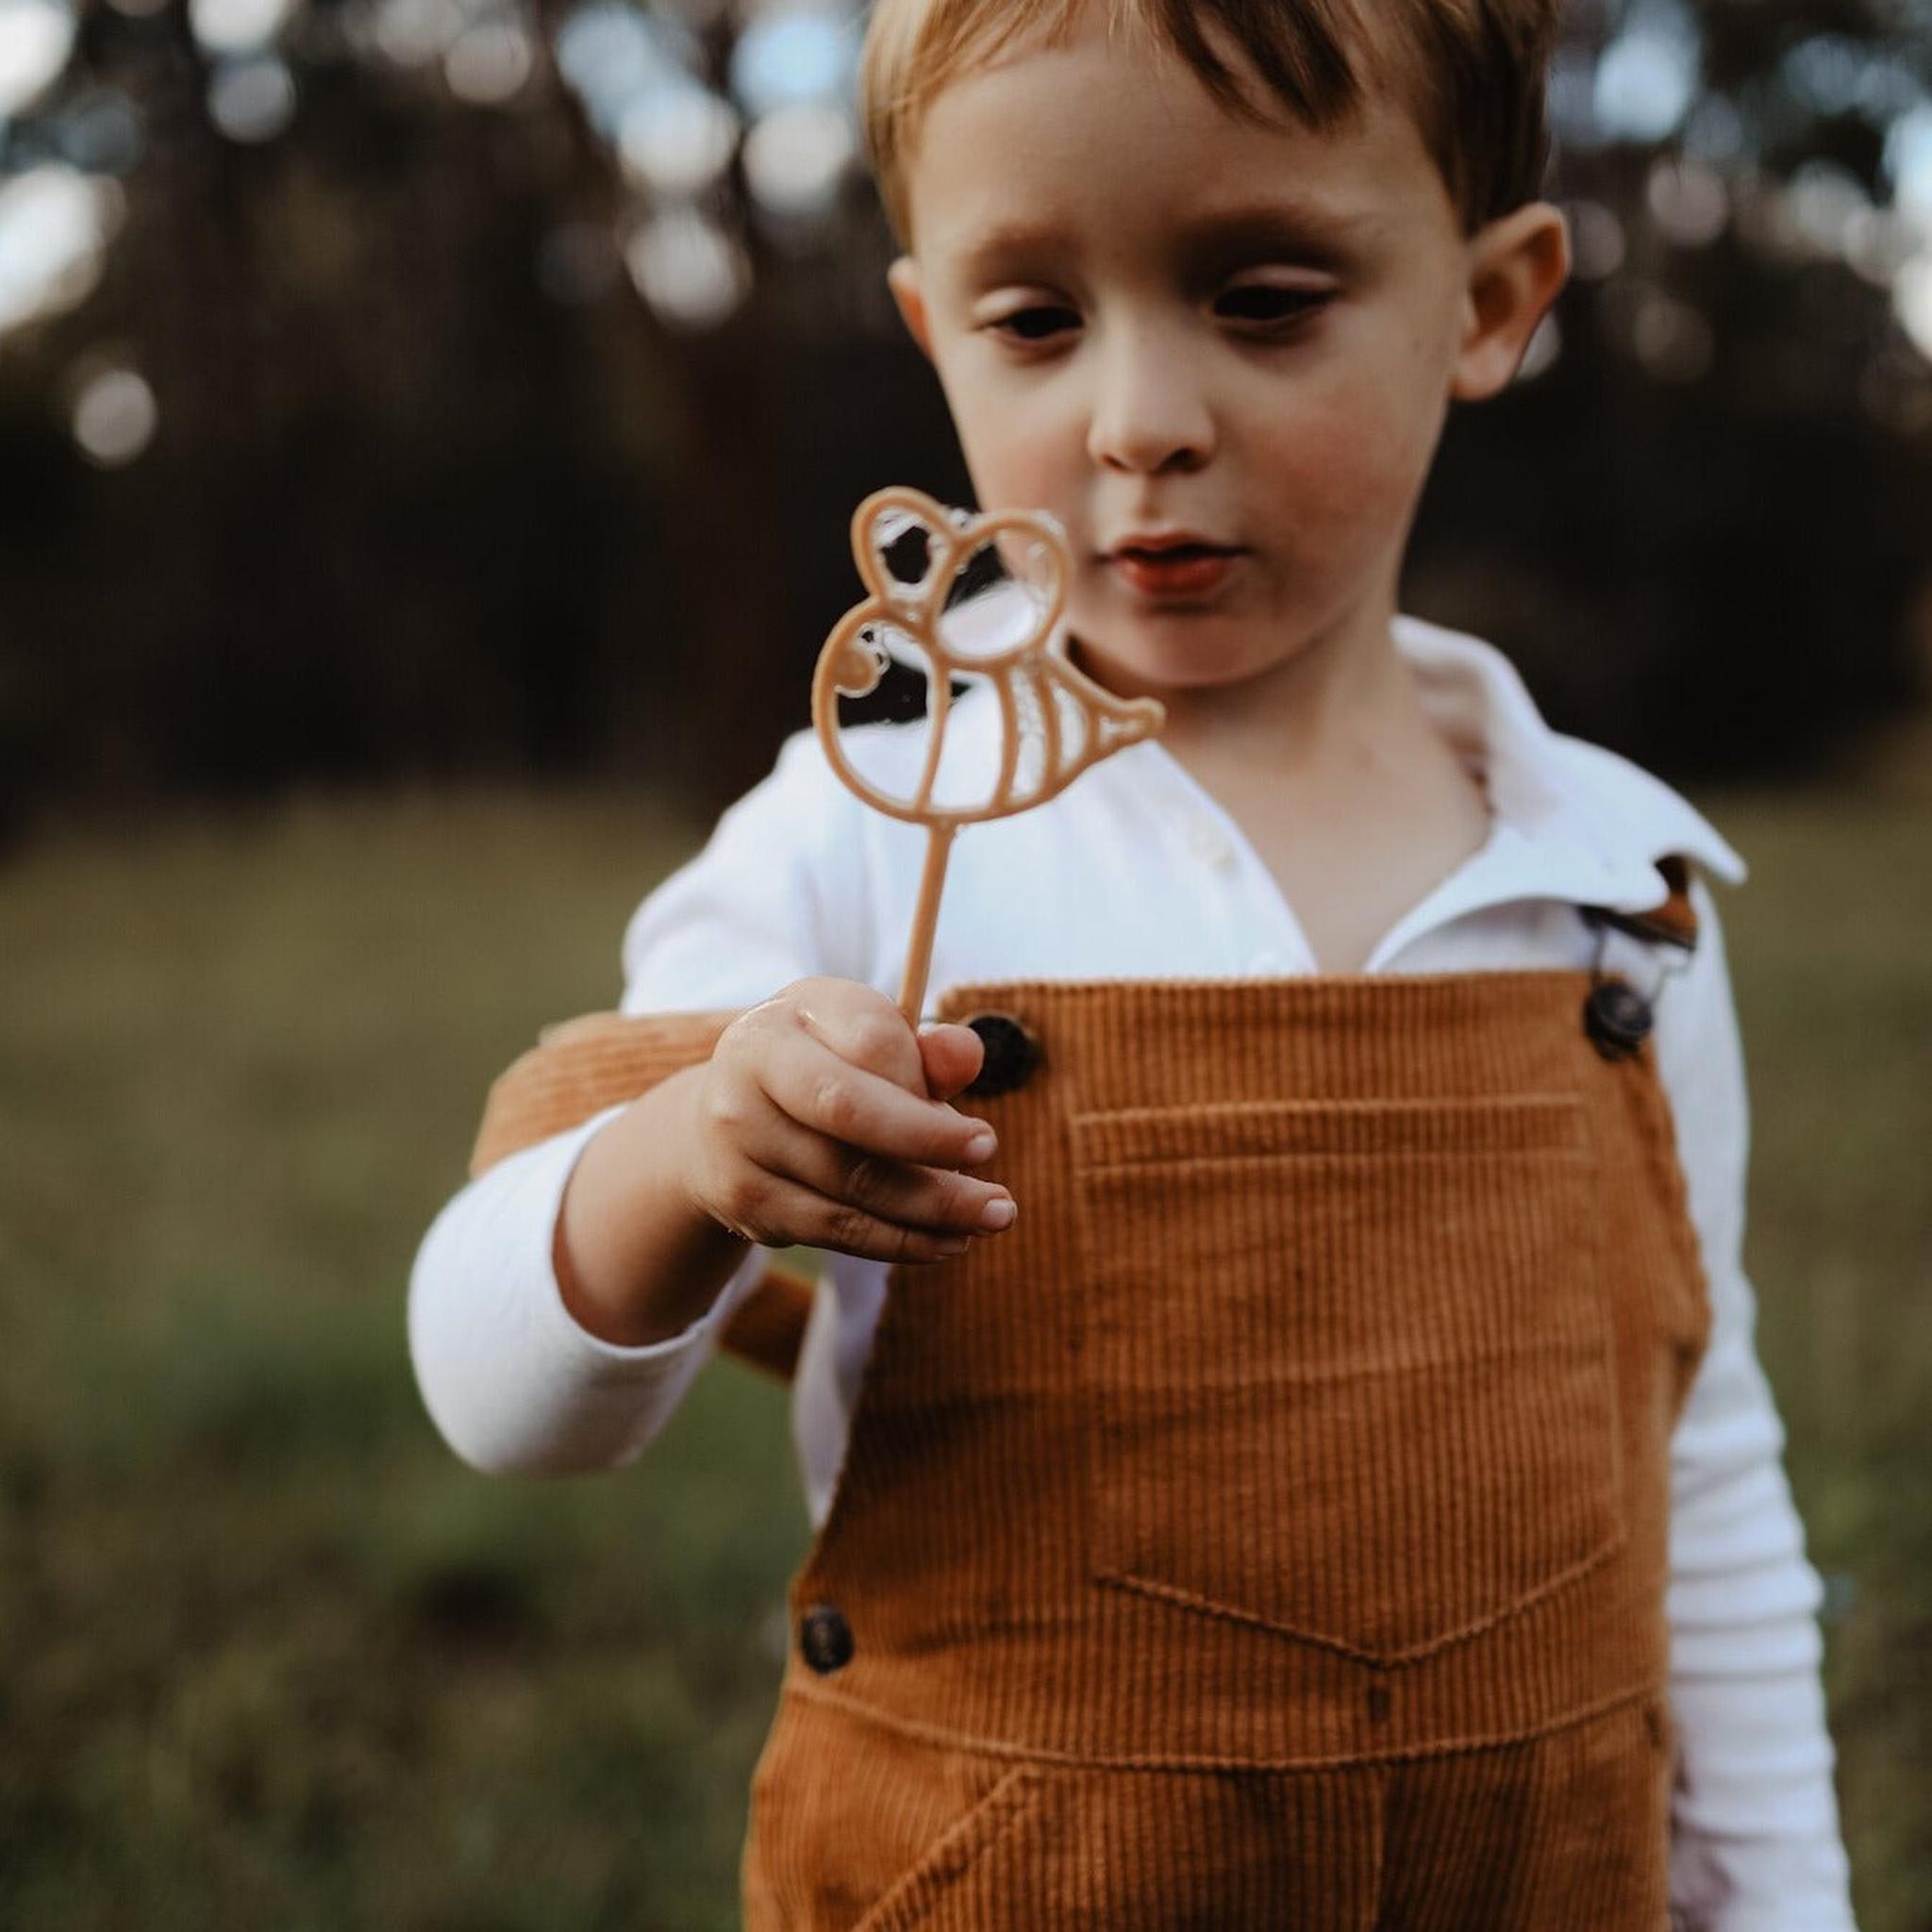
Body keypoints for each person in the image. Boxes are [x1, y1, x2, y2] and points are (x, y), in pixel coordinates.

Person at [408, 1, 1858, 1924]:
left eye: (1261, 298)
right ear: (934, 337)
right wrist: (682, 1157)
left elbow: (1704, 1449)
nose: (1137, 421)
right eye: (1035, 322)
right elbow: (493, 1387)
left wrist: (1781, 1897)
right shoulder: (864, 835)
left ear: (1491, 303)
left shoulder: (1614, 887)